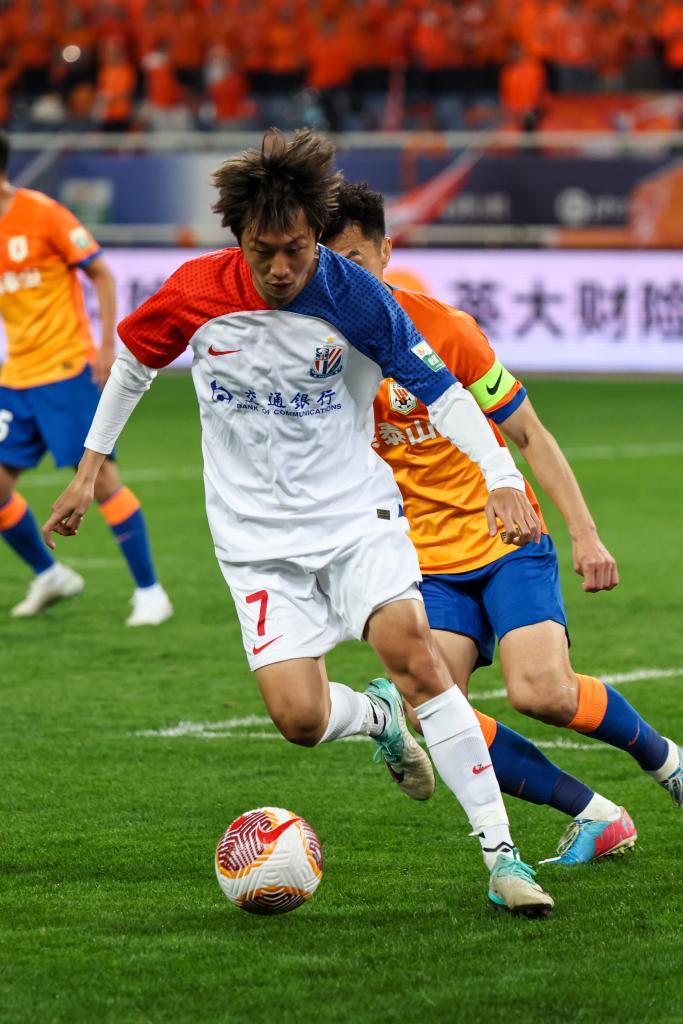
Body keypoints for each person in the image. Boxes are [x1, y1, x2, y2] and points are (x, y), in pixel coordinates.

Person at [44, 128, 553, 917]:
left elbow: (443, 391)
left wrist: (501, 476)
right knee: (299, 719)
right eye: (262, 251)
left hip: (353, 516)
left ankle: (501, 857)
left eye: (294, 249)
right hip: (253, 540)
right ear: (238, 238)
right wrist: (86, 473)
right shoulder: (196, 290)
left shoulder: (357, 298)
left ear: (316, 233)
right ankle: (377, 719)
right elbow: (135, 367)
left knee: (415, 659)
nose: (279, 267)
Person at [320, 181, 682, 865]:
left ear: (386, 253)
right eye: (330, 266)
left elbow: (529, 432)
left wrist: (584, 533)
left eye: (356, 262)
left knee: (541, 691)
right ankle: (596, 814)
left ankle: (667, 762)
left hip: (504, 540)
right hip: (424, 562)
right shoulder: (317, 358)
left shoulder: (446, 331)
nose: (346, 281)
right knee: (435, 709)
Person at [0, 132, 172, 626]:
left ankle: (150, 592)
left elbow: (101, 273)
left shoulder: (43, 214)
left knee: (99, 479)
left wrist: (105, 346)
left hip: (64, 368)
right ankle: (50, 573)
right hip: (16, 374)